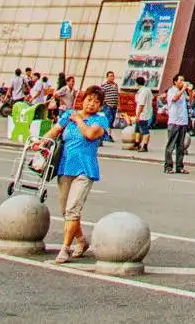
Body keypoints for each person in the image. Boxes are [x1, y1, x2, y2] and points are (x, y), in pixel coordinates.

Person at [52, 85, 111, 263]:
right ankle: (81, 241)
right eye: (89, 99)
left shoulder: (101, 119)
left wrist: (78, 120)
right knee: (65, 210)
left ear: (100, 106)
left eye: (96, 102)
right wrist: (41, 142)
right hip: (65, 167)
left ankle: (65, 248)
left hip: (85, 169)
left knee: (73, 209)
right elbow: (55, 130)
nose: (91, 104)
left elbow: (90, 134)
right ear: (83, 100)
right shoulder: (68, 114)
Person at [164, 74, 194, 173]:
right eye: (180, 80)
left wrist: (190, 92)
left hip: (183, 121)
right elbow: (174, 98)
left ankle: (179, 166)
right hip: (174, 121)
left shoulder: (184, 92)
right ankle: (168, 166)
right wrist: (183, 89)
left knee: (181, 146)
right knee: (171, 145)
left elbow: (190, 101)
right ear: (175, 82)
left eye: (183, 80)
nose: (182, 82)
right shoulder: (171, 91)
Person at [131, 78, 155, 152]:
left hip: (142, 114)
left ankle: (145, 146)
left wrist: (138, 115)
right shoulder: (148, 90)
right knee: (137, 129)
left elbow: (141, 104)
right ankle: (137, 144)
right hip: (147, 112)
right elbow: (152, 99)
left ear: (137, 84)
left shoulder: (143, 92)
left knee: (145, 131)